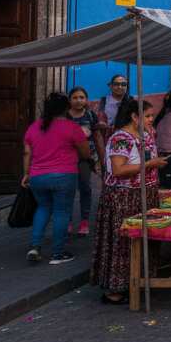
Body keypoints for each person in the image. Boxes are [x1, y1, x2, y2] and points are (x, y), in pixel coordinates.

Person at [93, 98, 168, 305]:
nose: (152, 120)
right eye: (148, 116)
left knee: (146, 240)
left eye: (152, 116)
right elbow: (118, 170)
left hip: (146, 194)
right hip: (124, 197)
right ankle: (116, 290)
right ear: (134, 117)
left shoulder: (146, 134)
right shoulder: (120, 139)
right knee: (124, 243)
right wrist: (150, 163)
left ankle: (141, 281)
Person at [22, 92, 91, 264]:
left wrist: (26, 174)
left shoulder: (34, 127)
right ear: (67, 108)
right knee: (62, 212)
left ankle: (34, 246)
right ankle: (57, 253)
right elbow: (85, 152)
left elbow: (26, 152)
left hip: (38, 176)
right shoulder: (72, 128)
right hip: (64, 175)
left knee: (43, 208)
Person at [64, 86, 100, 237]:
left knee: (85, 187)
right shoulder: (64, 117)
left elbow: (97, 137)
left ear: (86, 100)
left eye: (81, 97)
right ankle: (68, 221)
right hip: (66, 159)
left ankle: (84, 221)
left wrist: (101, 159)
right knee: (67, 190)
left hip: (86, 158)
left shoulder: (91, 115)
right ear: (69, 100)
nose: (78, 100)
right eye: (75, 97)